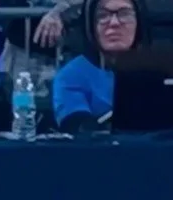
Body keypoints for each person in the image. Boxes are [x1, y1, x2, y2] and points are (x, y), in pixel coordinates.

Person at [51, 0, 141, 131]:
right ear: (91, 27)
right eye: (103, 15)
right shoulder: (71, 75)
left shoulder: (160, 66)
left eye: (124, 14)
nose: (114, 23)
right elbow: (77, 129)